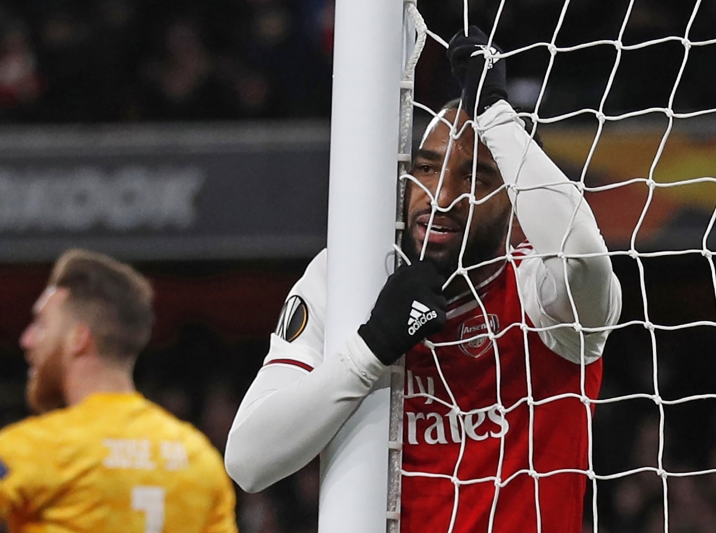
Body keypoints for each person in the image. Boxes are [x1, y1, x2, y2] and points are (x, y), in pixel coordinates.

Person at [225, 26, 622, 533]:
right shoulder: (344, 278)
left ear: (517, 207)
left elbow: (583, 255)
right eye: (428, 170)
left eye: (475, 177)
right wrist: (372, 348)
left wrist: (495, 115)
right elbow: (248, 461)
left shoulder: (545, 296)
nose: (440, 196)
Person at [0, 249, 238, 533]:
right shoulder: (198, 459)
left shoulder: (43, 447)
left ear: (79, 339)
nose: (26, 339)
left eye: (40, 324)